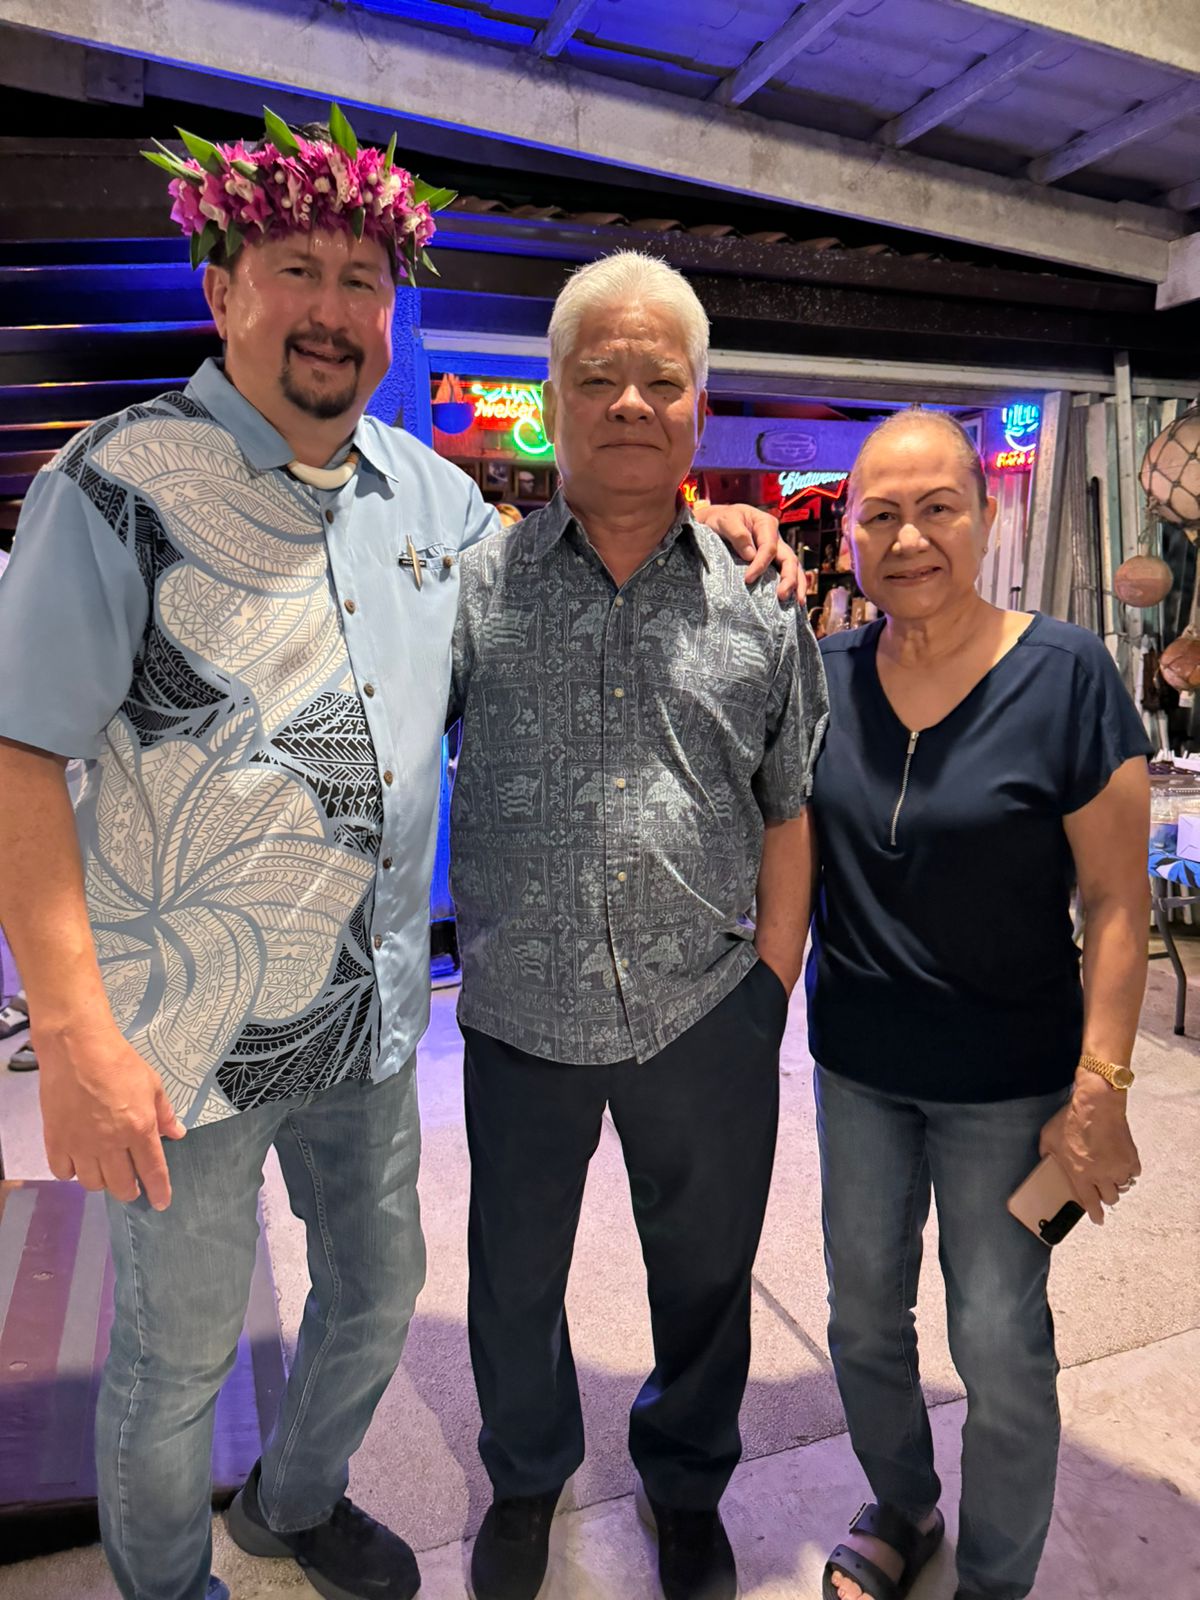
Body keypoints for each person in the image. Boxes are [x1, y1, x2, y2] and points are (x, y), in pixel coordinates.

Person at [0, 112, 793, 1600]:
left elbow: (595, 563)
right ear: (221, 287)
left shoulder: (432, 501)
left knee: (378, 1298)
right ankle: (172, 1585)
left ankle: (295, 1500)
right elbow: (18, 756)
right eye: (295, 269)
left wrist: (720, 518)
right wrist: (71, 1028)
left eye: (362, 281)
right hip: (182, 1038)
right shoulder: (113, 484)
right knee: (173, 1361)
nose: (331, 309)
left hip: (369, 1021)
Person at [448, 252, 828, 1600]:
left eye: (657, 381)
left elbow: (790, 809)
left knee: (707, 1278)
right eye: (596, 377)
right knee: (510, 1281)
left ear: (698, 408)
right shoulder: (474, 587)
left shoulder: (761, 604)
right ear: (552, 399)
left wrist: (770, 987)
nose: (626, 402)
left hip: (701, 1011)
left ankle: (685, 1484)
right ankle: (528, 1475)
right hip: (516, 1016)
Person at [806, 409, 1150, 1600]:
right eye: (882, 512)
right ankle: (901, 1505)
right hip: (857, 1068)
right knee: (860, 1320)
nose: (910, 536)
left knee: (1000, 1343)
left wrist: (1101, 1084)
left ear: (987, 516)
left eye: (938, 506)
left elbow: (1115, 902)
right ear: (848, 531)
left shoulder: (1068, 675)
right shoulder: (826, 676)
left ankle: (995, 1579)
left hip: (1011, 1086)